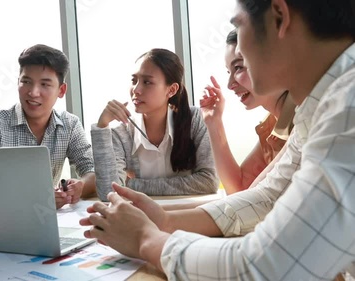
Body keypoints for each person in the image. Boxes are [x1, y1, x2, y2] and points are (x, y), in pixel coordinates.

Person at [80, 0, 355, 279]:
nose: (233, 77)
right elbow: (268, 196)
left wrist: (146, 239)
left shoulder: (347, 108)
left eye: (238, 25)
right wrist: (164, 220)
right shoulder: (319, 105)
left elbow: (264, 268)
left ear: (279, 17)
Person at [0, 44, 95, 209]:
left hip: (46, 220)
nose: (33, 92)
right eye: (26, 82)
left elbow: (91, 170)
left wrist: (79, 187)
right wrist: (35, 198)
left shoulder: (70, 124)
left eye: (44, 84)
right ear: (18, 82)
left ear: (61, 90)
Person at [91, 48, 218, 201]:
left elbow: (209, 181)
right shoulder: (121, 133)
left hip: (187, 217)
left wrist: (132, 185)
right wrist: (102, 126)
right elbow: (108, 193)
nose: (136, 90)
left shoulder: (195, 119)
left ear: (171, 90)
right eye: (134, 81)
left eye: (147, 82)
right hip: (141, 220)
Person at [200, 29, 295, 194]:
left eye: (238, 67)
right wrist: (214, 123)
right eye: (229, 72)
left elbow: (252, 201)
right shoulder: (272, 124)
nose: (230, 84)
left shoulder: (301, 120)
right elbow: (239, 189)